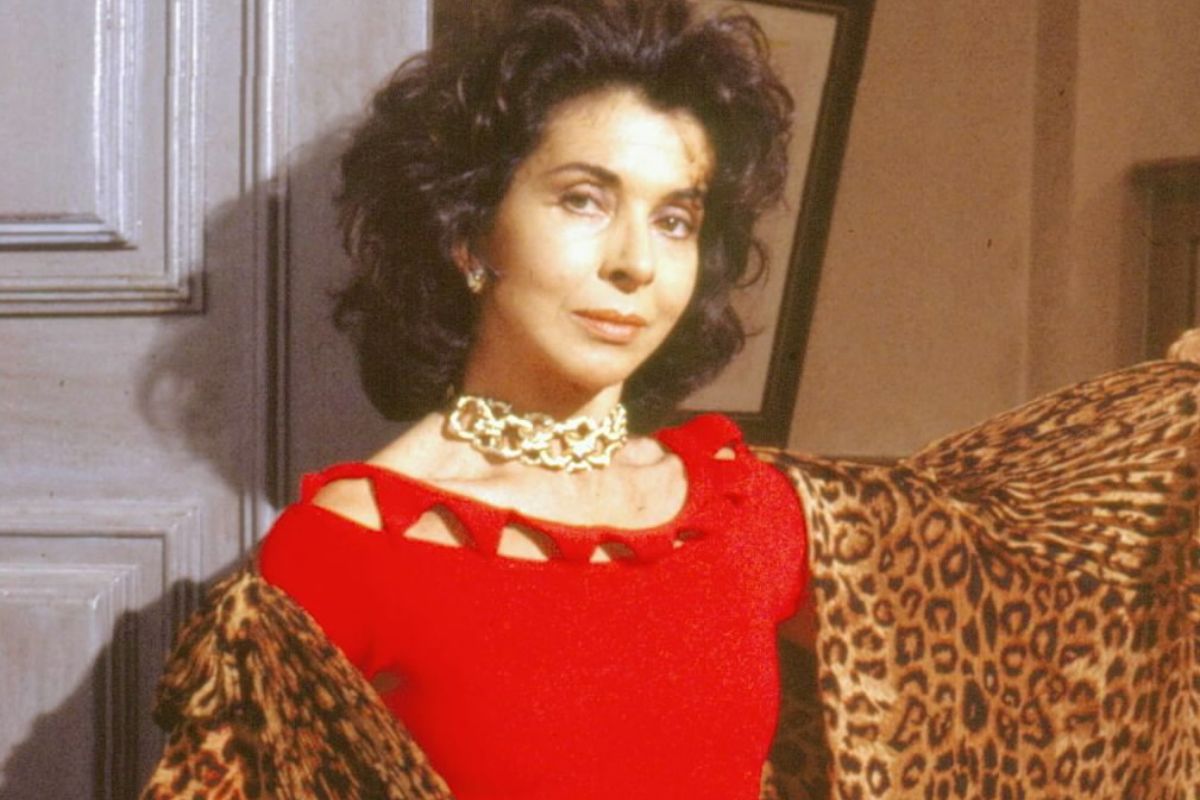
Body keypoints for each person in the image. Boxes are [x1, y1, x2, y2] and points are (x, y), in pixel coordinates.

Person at [189, 2, 806, 798]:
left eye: (675, 220)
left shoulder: (743, 508)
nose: (637, 263)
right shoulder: (345, 552)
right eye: (583, 200)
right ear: (468, 233)